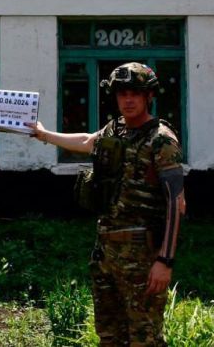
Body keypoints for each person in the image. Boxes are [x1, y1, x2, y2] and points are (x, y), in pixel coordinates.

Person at [31, 62, 185, 346]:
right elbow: (88, 141)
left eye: (135, 93)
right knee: (109, 334)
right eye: (122, 93)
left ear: (149, 96)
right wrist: (43, 135)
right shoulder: (115, 131)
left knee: (144, 336)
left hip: (142, 254)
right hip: (106, 252)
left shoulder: (161, 140)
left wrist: (165, 261)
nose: (127, 99)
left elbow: (176, 202)